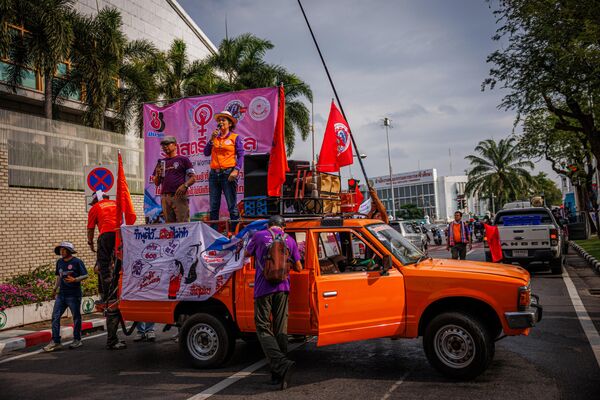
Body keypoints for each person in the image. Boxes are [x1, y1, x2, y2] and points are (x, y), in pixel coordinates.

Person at [245, 216, 303, 390]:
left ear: (269, 225)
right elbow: (299, 267)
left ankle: (281, 364)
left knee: (263, 327)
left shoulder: (258, 236)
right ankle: (278, 375)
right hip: (283, 288)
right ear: (282, 227)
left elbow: (247, 254)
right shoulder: (290, 240)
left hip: (263, 288)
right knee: (280, 328)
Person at [43, 242, 88, 352]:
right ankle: (56, 341)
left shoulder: (77, 262)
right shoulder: (59, 262)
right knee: (55, 316)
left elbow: (86, 275)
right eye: (60, 250)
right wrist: (54, 290)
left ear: (69, 251)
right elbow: (58, 277)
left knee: (76, 317)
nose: (61, 252)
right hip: (61, 295)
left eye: (64, 250)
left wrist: (75, 279)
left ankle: (77, 339)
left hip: (74, 295)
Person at [203, 111, 245, 230]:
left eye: (223, 120)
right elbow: (206, 153)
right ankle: (214, 234)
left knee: (232, 205)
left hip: (228, 173)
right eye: (219, 120)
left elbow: (241, 155)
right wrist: (211, 139)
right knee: (214, 206)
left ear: (230, 124)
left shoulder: (235, 137)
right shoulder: (215, 138)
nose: (220, 122)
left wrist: (236, 170)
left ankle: (235, 232)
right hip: (214, 174)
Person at [153, 135, 196, 223]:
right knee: (169, 227)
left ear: (175, 145)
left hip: (179, 196)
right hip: (165, 198)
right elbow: (156, 183)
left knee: (183, 225)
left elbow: (193, 178)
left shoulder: (183, 159)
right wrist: (157, 174)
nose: (165, 146)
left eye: (167, 144)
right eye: (163, 145)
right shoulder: (161, 162)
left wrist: (185, 185)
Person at [87, 190, 117, 301]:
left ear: (96, 199)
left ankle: (109, 297)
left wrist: (90, 243)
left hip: (106, 235)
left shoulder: (95, 208)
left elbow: (90, 229)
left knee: (104, 267)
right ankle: (120, 292)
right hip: (122, 234)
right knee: (120, 266)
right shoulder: (116, 203)